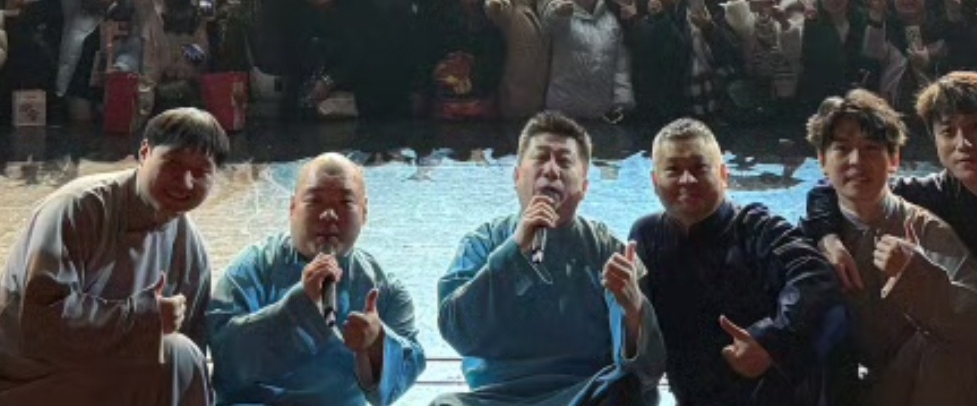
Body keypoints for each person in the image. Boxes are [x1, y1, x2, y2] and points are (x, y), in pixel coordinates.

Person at [0, 108, 229, 406]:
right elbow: (41, 323)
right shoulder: (76, 209)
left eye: (201, 172)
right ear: (144, 153)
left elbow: (193, 358)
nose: (185, 182)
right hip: (21, 383)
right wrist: (144, 318)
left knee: (183, 355)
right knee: (176, 353)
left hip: (106, 381)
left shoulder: (191, 251)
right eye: (173, 164)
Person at [434, 110, 664, 405]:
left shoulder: (609, 250)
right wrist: (514, 250)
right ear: (517, 176)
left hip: (583, 394)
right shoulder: (481, 243)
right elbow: (457, 333)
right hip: (496, 397)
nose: (551, 170)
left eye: (564, 162)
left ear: (584, 187)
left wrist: (633, 309)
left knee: (628, 391)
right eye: (541, 158)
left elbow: (648, 370)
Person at [629, 117, 843, 406]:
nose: (687, 180)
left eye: (699, 168)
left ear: (723, 175)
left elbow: (814, 273)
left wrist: (770, 340)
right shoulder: (646, 235)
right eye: (673, 170)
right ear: (655, 182)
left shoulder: (757, 228)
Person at [206, 152, 425, 405]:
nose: (329, 214)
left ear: (364, 212)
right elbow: (224, 357)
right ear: (292, 208)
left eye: (345, 203)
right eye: (315, 201)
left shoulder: (384, 289)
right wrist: (299, 305)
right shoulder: (254, 269)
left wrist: (376, 343)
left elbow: (401, 377)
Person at [805, 87, 977, 405]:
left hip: (922, 380)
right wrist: (826, 236)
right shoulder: (812, 236)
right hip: (853, 384)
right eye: (842, 149)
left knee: (945, 349)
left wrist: (918, 275)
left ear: (894, 160)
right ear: (822, 161)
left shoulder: (925, 228)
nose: (856, 161)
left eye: (871, 148)